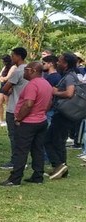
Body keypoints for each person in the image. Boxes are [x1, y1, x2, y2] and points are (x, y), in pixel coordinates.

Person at [0, 62, 53, 186]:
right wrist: (41, 112)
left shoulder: (32, 85)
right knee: (37, 149)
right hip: (41, 121)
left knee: (21, 150)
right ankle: (38, 176)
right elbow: (49, 103)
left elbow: (28, 104)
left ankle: (15, 179)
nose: (24, 72)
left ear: (32, 70)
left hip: (28, 123)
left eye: (26, 70)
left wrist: (18, 119)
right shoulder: (46, 83)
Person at [44, 52, 80, 180]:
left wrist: (56, 92)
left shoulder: (70, 76)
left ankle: (58, 165)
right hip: (67, 114)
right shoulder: (71, 75)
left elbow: (70, 93)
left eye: (59, 61)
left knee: (48, 140)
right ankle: (62, 169)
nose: (57, 63)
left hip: (63, 114)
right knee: (59, 141)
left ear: (65, 63)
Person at [0, 47, 28, 169]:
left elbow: (5, 88)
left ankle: (15, 160)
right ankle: (23, 159)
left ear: (18, 56)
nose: (12, 58)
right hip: (26, 107)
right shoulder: (30, 70)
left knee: (13, 136)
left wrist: (10, 90)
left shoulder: (17, 71)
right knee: (24, 135)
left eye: (13, 55)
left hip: (14, 108)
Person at [0, 54, 15, 126]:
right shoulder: (4, 67)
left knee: (8, 104)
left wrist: (3, 78)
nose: (3, 62)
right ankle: (1, 119)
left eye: (3, 61)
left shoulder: (13, 67)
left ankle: (8, 121)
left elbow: (7, 77)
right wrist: (2, 78)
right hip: (2, 86)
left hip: (8, 86)